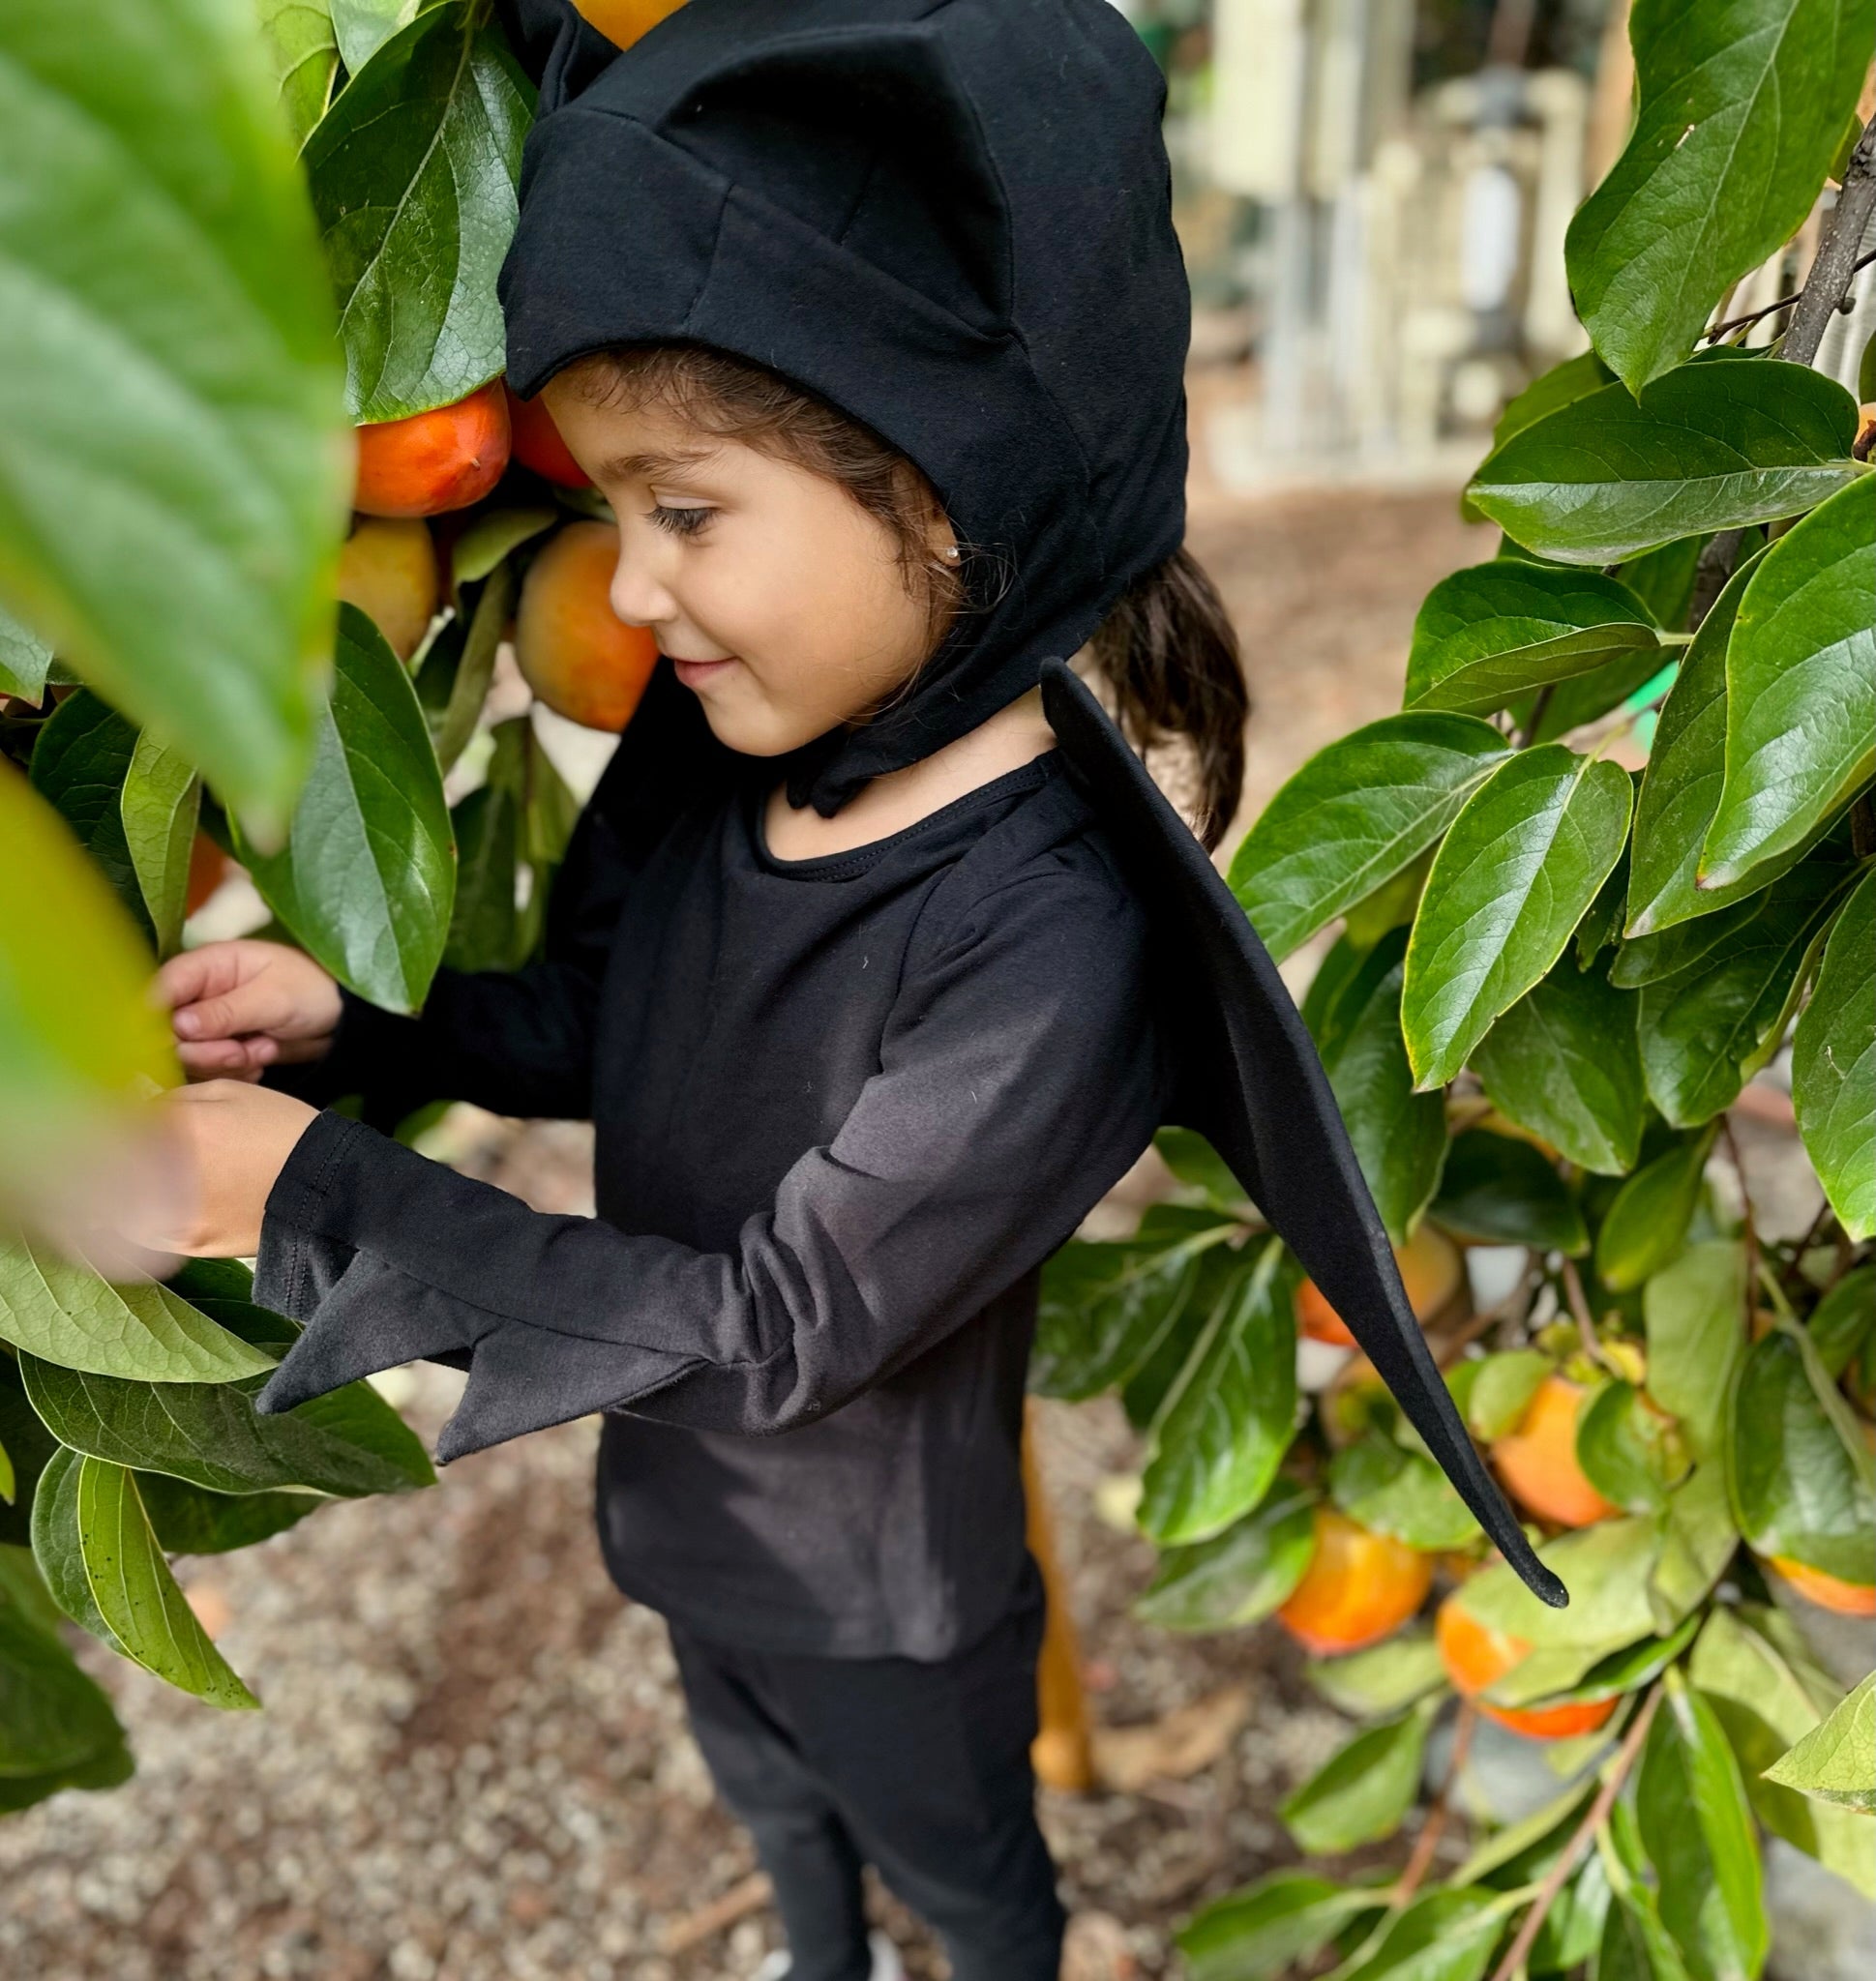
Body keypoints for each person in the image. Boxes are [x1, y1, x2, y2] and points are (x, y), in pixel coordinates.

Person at [142, 5, 1558, 1976]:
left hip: (888, 1599)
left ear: (948, 496)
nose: (628, 590)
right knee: (777, 1817)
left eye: (688, 510)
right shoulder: (721, 757)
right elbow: (594, 1031)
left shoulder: (1049, 945)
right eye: (616, 510)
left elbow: (782, 1325)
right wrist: (356, 1025)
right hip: (691, 1533)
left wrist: (308, 1193)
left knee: (973, 1888)